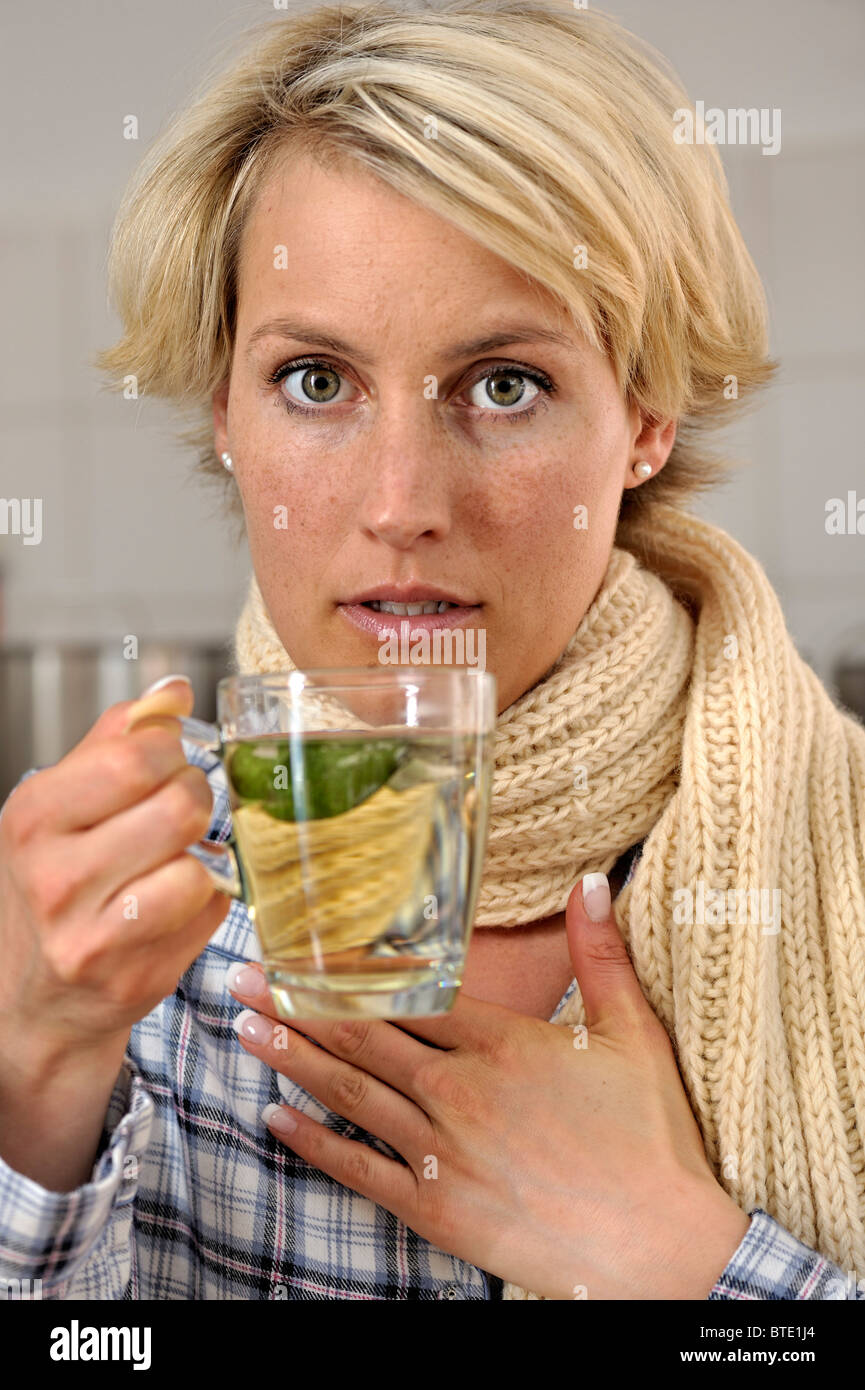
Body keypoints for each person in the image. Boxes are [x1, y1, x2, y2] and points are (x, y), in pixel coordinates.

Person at [1, 0, 863, 1301]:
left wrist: (693, 1271)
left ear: (644, 419)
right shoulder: (103, 906)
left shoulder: (838, 858)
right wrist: (29, 1087)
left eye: (503, 383)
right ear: (221, 407)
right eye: (315, 380)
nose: (401, 501)